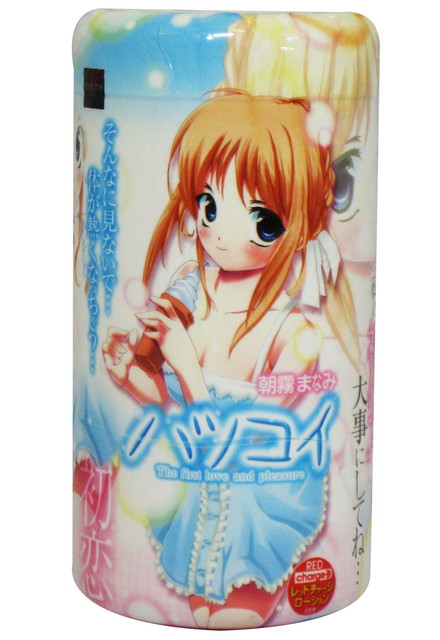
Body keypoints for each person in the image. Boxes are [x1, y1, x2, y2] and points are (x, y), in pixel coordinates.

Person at [102, 92, 341, 628]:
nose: (221, 234)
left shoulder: (293, 334)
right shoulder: (192, 287)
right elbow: (174, 408)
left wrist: (186, 364)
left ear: (298, 224)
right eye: (209, 206)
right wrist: (132, 375)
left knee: (232, 619)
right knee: (201, 616)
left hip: (255, 508)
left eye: (261, 220)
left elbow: (242, 441)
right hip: (194, 498)